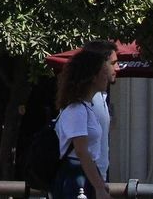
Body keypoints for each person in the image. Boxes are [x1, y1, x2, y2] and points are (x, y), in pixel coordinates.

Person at [53, 45, 112, 199]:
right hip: (76, 176)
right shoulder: (76, 109)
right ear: (93, 76)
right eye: (104, 72)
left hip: (84, 174)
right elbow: (81, 151)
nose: (108, 76)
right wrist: (99, 187)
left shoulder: (86, 108)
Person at [82, 39, 119, 180]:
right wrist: (98, 185)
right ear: (99, 66)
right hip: (86, 183)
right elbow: (82, 151)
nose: (118, 68)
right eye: (113, 63)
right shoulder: (86, 102)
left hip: (96, 179)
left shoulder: (99, 98)